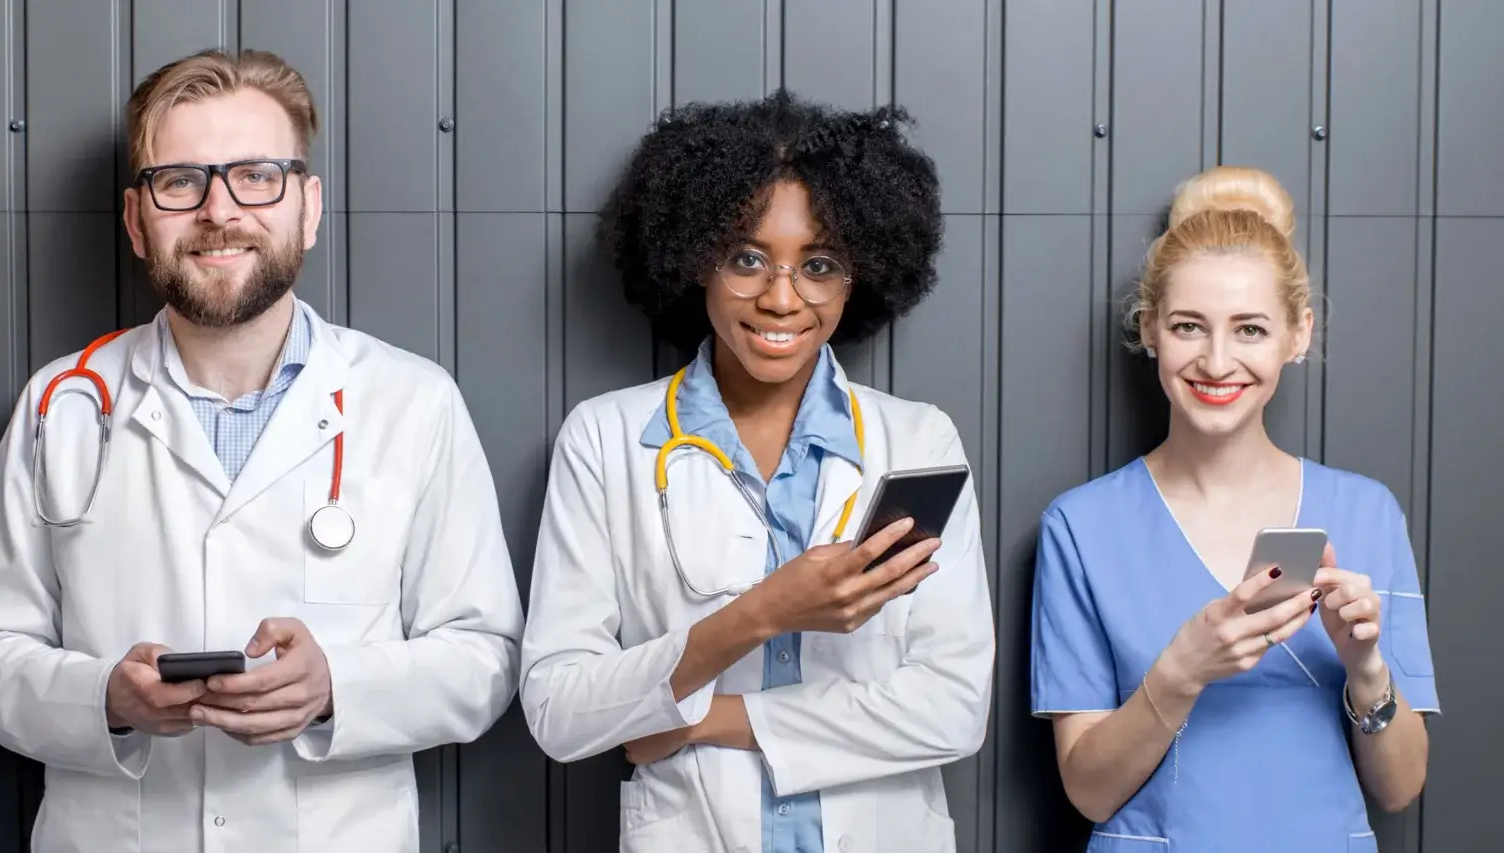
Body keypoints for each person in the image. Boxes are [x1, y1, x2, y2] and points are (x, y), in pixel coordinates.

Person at [0, 47, 524, 852]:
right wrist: (106, 697)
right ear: (137, 221)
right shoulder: (61, 403)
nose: (220, 210)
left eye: (257, 176)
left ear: (308, 208)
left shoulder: (412, 401)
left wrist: (334, 688)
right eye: (180, 181)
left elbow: (485, 656)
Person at [517, 90, 996, 853]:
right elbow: (560, 712)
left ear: (858, 275)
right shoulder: (605, 441)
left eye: (819, 264)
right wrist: (763, 612)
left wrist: (707, 719)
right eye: (746, 257)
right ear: (693, 254)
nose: (781, 297)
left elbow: (953, 708)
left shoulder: (918, 440)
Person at [1028, 165, 1439, 851]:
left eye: (1250, 329)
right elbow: (1089, 789)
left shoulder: (1366, 513)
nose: (1217, 362)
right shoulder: (1082, 527)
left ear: (1298, 335)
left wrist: (1366, 667)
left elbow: (1400, 786)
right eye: (1190, 326)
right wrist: (1183, 667)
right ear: (1150, 328)